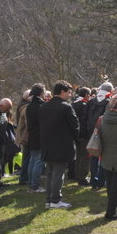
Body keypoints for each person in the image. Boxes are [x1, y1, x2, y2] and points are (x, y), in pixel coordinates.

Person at [39, 80, 80, 209]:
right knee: (58, 174)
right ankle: (55, 200)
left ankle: (49, 200)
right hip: (62, 145)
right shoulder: (66, 107)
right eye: (69, 92)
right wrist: (77, 140)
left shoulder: (43, 106)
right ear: (62, 92)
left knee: (50, 173)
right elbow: (75, 126)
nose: (70, 95)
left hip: (47, 144)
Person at [85, 82, 113, 188]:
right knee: (103, 157)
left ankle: (93, 180)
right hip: (104, 132)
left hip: (91, 132)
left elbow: (84, 117)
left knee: (94, 156)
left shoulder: (91, 101)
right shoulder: (109, 101)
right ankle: (101, 180)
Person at [25, 83, 46, 193]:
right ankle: (35, 186)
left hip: (32, 136)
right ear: (41, 93)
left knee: (32, 160)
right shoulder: (40, 106)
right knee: (38, 161)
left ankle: (30, 183)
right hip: (39, 136)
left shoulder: (29, 106)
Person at [0, 98, 15, 187]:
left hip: (3, 141)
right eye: (6, 109)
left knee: (2, 160)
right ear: (1, 105)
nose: (7, 111)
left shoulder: (4, 113)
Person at [71, 86, 91, 185]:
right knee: (84, 156)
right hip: (83, 133)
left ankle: (77, 174)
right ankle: (82, 177)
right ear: (86, 95)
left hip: (76, 133)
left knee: (78, 155)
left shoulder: (73, 104)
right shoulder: (84, 105)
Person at [14, 89, 31, 185]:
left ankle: (24, 177)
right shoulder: (25, 107)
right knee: (27, 157)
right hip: (25, 135)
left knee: (26, 157)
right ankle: (24, 178)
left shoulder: (21, 105)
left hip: (23, 135)